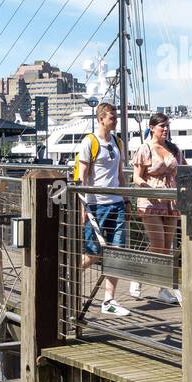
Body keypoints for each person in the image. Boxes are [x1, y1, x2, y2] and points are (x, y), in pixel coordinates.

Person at [75, 102, 130, 317]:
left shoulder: (117, 142)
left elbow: (120, 174)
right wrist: (84, 207)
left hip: (116, 203)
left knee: (116, 252)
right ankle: (66, 277)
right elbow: (82, 176)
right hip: (96, 205)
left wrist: (126, 200)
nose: (115, 120)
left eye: (115, 117)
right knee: (93, 254)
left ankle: (109, 300)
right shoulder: (90, 142)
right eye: (111, 117)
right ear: (100, 119)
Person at [132, 112, 183, 306]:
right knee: (157, 243)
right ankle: (137, 275)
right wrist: (147, 187)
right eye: (162, 126)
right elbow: (137, 176)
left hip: (171, 201)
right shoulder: (145, 149)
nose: (165, 129)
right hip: (151, 201)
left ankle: (162, 288)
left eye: (167, 126)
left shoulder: (174, 149)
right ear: (152, 127)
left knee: (166, 246)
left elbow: (184, 169)